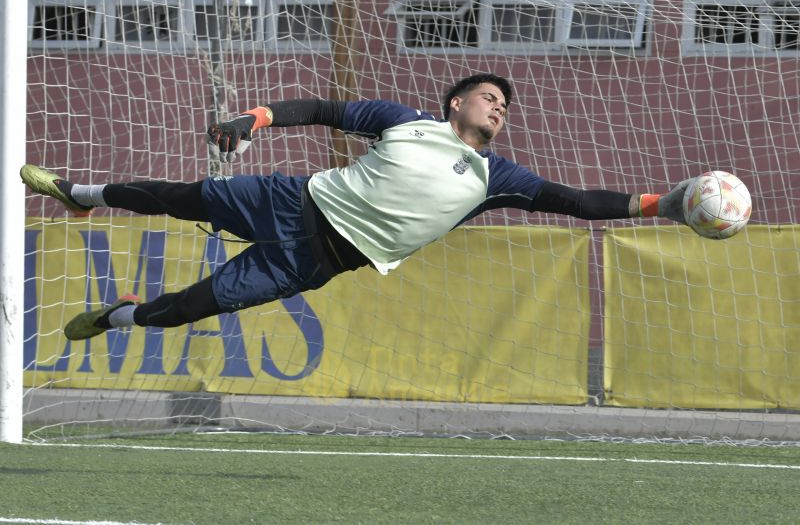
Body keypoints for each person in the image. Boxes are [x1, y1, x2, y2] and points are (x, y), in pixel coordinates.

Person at [21, 73, 689, 341]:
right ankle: (79, 196)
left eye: (505, 107)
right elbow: (322, 109)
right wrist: (254, 119)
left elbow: (578, 201)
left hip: (318, 261)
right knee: (180, 196)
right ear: (456, 102)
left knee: (189, 308)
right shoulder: (407, 121)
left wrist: (666, 204)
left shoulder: (497, 177)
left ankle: (120, 314)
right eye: (490, 98)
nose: (500, 108)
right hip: (292, 202)